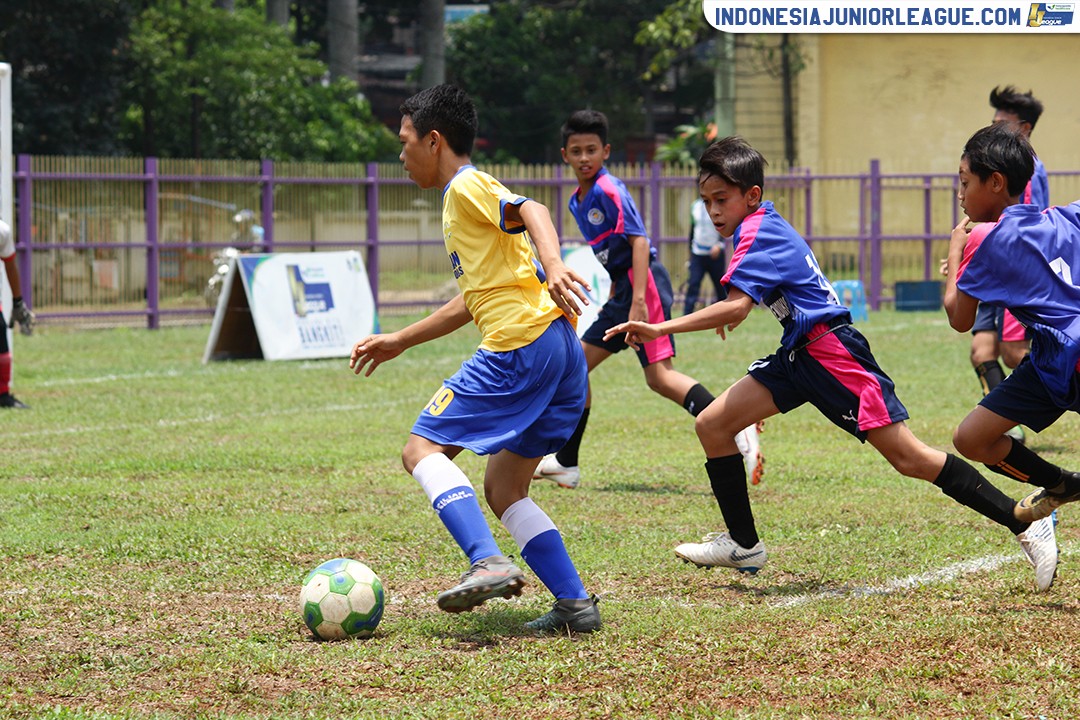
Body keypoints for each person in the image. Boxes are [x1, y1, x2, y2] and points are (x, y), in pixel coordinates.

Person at [604, 136, 1058, 591]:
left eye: (721, 199)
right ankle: (743, 544)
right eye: (706, 202)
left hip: (833, 355)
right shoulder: (758, 225)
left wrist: (661, 328)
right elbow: (749, 299)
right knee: (712, 425)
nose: (713, 211)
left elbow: (737, 307)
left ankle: (1021, 520)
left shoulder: (758, 228)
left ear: (752, 196)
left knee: (909, 458)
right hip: (800, 353)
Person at [349, 84, 600, 633]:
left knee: (421, 448)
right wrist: (401, 339)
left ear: (434, 141)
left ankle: (486, 560)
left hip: (520, 347)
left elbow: (531, 207)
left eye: (405, 141)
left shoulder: (465, 187)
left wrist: (554, 262)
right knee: (505, 488)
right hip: (558, 348)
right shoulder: (464, 200)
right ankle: (575, 604)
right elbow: (475, 297)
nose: (401, 154)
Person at [533, 110, 762, 490]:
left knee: (657, 376)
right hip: (624, 290)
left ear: (605, 151)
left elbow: (639, 241)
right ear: (565, 155)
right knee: (581, 367)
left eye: (592, 149)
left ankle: (734, 428)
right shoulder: (578, 199)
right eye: (577, 151)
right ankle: (567, 463)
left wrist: (639, 300)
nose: (585, 157)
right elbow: (613, 250)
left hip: (644, 288)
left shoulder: (609, 189)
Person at [943, 123, 1080, 527]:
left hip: (1069, 358)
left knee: (973, 441)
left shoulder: (981, 238)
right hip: (1049, 362)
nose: (960, 194)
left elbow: (959, 317)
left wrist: (956, 249)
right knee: (972, 437)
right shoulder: (1067, 217)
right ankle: (1062, 484)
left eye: (966, 182)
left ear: (997, 183)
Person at [962, 86, 1048, 444]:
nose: (995, 129)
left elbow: (1023, 225)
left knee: (1014, 354)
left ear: (1024, 129)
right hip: (993, 266)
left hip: (1013, 272)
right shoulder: (994, 165)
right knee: (981, 351)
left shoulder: (1026, 172)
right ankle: (1007, 426)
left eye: (1004, 124)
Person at [0, 219, 34, 409]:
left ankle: (3, 395)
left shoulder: (2, 231)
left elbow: (10, 265)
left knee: (1, 342)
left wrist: (17, 301)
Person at [684, 197, 727, 316]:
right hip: (698, 254)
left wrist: (719, 244)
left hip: (715, 253)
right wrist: (690, 252)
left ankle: (724, 316)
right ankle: (686, 316)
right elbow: (692, 230)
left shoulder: (719, 206)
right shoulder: (695, 206)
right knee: (693, 284)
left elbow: (725, 227)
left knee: (720, 287)